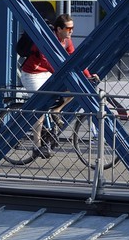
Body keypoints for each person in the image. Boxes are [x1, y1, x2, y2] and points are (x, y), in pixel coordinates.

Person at [19, 14, 87, 158]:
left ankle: (56, 110)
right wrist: (62, 74)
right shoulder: (47, 39)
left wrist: (87, 74)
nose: (71, 31)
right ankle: (36, 146)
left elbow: (74, 58)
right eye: (69, 28)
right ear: (59, 29)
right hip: (32, 74)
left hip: (48, 74)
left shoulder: (67, 41)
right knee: (40, 107)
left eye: (72, 28)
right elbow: (46, 61)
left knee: (74, 88)